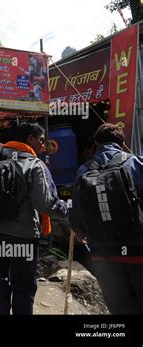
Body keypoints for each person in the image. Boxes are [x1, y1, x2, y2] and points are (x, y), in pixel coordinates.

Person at [0, 122, 68, 315]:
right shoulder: (34, 163)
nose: (43, 146)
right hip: (23, 234)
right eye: (41, 141)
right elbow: (45, 204)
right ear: (30, 139)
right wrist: (65, 209)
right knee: (23, 285)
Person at [70, 123, 143, 314]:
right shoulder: (136, 163)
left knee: (120, 309)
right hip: (137, 249)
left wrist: (87, 234)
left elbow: (77, 218)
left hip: (104, 254)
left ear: (96, 143)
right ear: (122, 142)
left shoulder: (83, 171)